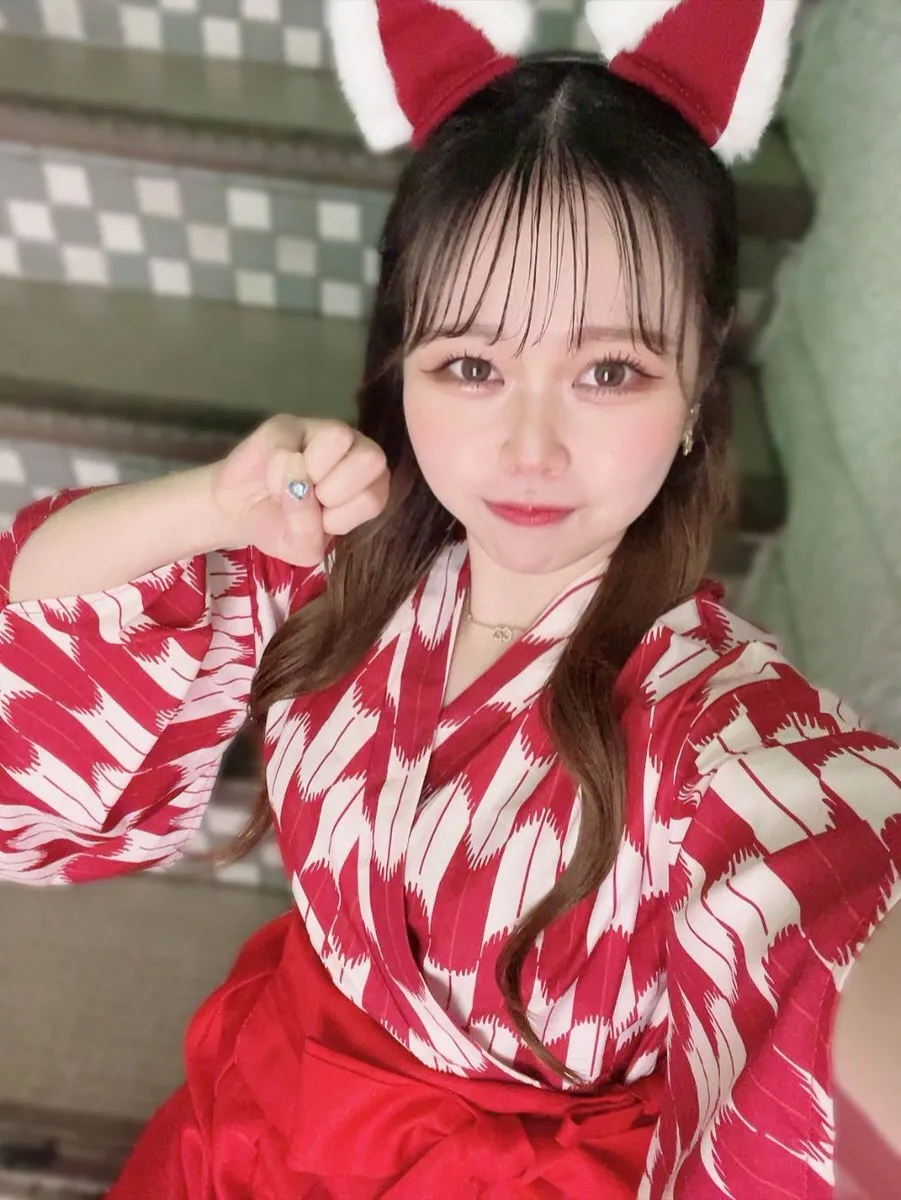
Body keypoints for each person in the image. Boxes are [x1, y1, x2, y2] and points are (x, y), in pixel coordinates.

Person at [1, 1, 898, 1196]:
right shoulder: (346, 562)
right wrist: (214, 503)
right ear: (401, 357)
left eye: (610, 370)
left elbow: (836, 901)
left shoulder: (726, 732)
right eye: (470, 365)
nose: (528, 448)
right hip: (256, 1116)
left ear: (697, 382)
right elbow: (37, 634)